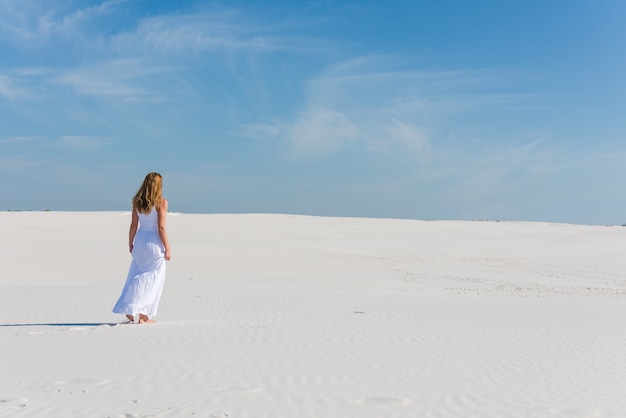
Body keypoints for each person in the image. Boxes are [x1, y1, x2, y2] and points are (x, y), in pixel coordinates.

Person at [113, 172, 171, 324]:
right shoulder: (161, 202)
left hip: (140, 241)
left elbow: (133, 225)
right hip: (154, 242)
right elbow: (161, 228)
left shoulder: (137, 202)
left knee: (137, 272)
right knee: (154, 279)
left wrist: (130, 242)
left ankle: (131, 308)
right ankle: (144, 315)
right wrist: (168, 248)